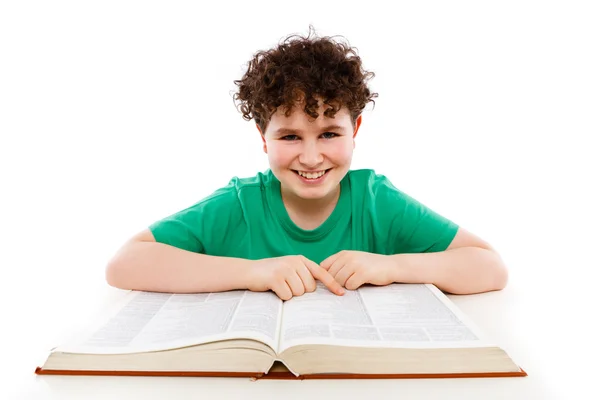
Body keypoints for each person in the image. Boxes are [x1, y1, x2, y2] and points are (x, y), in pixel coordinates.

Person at [105, 27, 508, 300]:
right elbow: (124, 265)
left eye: (330, 134)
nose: (312, 158)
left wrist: (391, 266)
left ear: (356, 128)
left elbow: (489, 268)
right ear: (263, 136)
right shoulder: (241, 203)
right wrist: (254, 273)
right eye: (290, 136)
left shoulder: (375, 200)